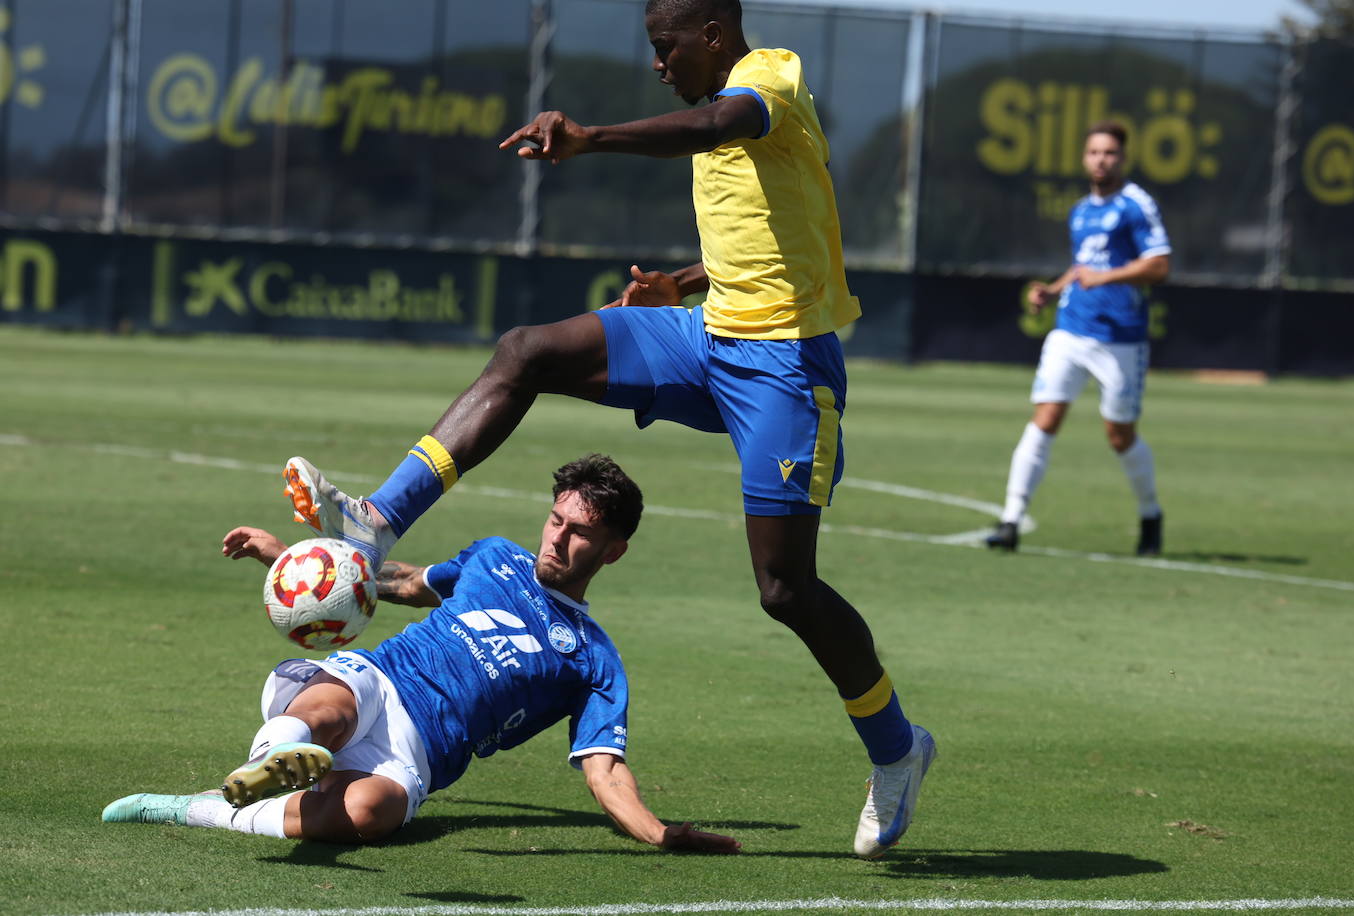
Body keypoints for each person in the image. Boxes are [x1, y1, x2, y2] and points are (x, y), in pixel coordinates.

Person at [276, 0, 934, 859]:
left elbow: (716, 125)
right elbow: (777, 222)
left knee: (785, 590)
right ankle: (378, 518)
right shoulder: (721, 101)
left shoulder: (768, 75)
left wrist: (589, 139)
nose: (659, 63)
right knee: (527, 352)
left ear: (711, 33)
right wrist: (688, 280)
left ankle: (897, 749)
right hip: (709, 334)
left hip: (785, 368)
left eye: (666, 48)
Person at [103, 455, 740, 854]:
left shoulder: (595, 661)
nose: (558, 539)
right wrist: (294, 562)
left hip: (422, 754)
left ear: (613, 551)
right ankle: (271, 761)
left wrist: (659, 832)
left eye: (580, 533)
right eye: (555, 520)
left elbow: (604, 770)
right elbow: (404, 584)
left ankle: (199, 809)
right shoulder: (495, 557)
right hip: (380, 680)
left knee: (372, 814)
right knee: (330, 711)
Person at [986, 120, 1172, 556]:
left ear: (1123, 158)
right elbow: (1082, 266)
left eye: (1109, 153)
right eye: (1093, 152)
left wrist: (1107, 276)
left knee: (1119, 436)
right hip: (1070, 329)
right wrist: (1053, 290)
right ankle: (1011, 519)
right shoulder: (1081, 211)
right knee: (1045, 418)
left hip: (1120, 339)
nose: (1101, 160)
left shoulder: (1136, 205)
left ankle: (1150, 513)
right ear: (1084, 158)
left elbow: (1160, 265)